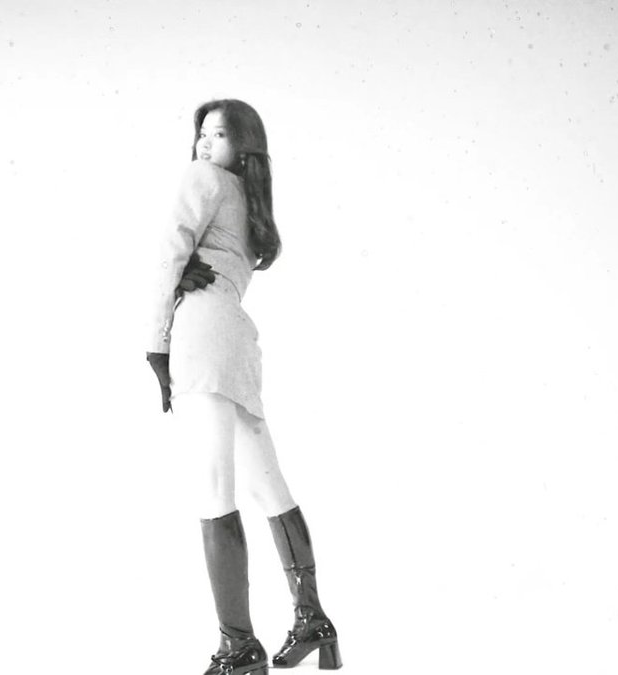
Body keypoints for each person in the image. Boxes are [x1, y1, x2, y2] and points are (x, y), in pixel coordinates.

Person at [145, 99, 342, 675]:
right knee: (268, 485)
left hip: (200, 337)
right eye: (202, 134)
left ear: (243, 145)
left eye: (219, 134)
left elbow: (168, 255)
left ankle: (238, 646)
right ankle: (313, 618)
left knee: (215, 488)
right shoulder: (253, 203)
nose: (205, 144)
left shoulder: (201, 179)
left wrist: (155, 344)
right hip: (236, 339)